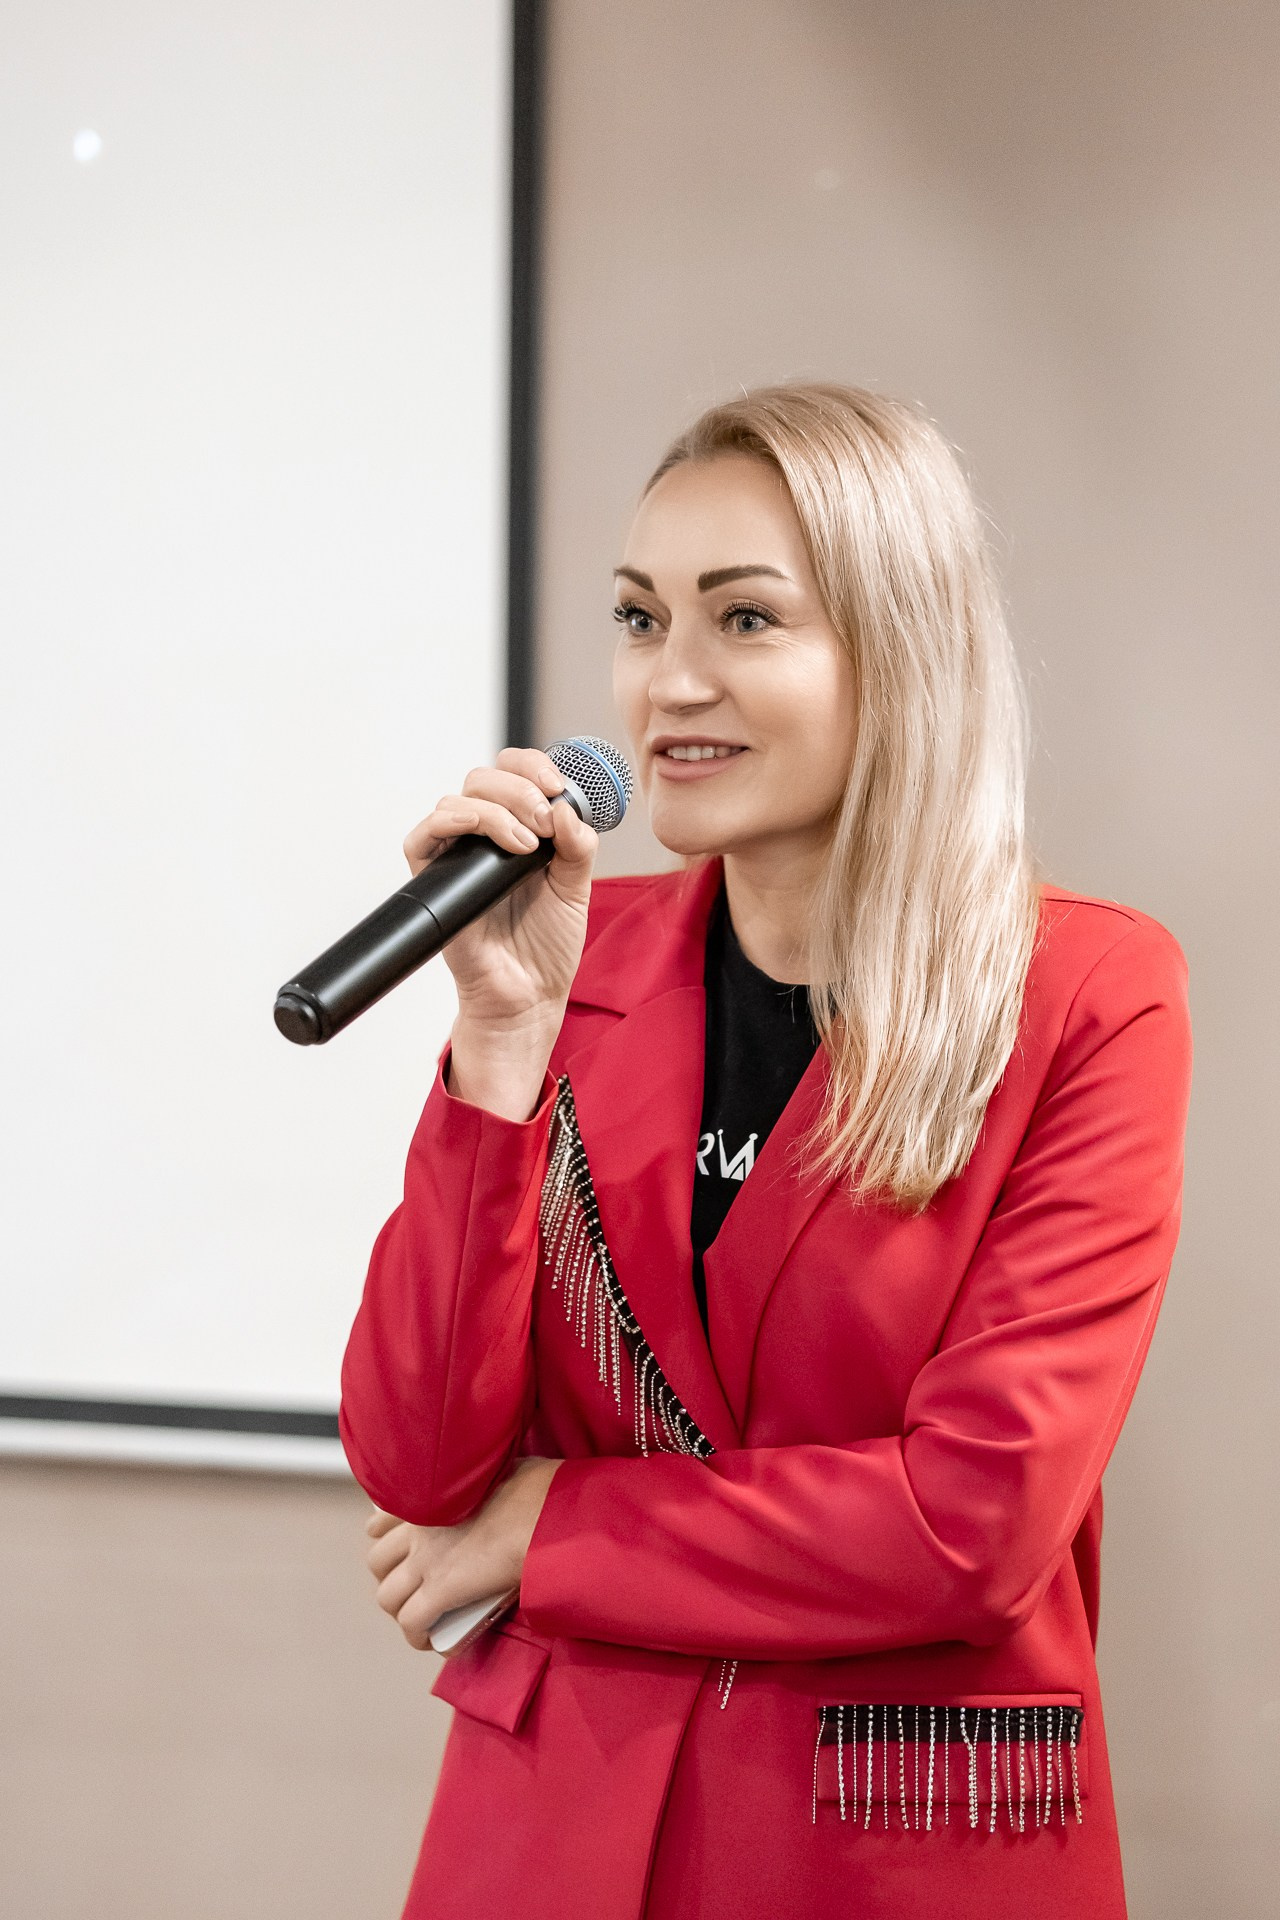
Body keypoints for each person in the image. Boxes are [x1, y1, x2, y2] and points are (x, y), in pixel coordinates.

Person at [338, 383, 1192, 1920]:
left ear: (900, 652)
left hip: (885, 1849)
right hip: (550, 1830)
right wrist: (497, 1052)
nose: (669, 684)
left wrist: (558, 1525)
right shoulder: (568, 962)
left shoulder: (1088, 995)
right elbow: (419, 1464)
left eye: (745, 622)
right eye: (639, 618)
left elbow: (969, 1524)